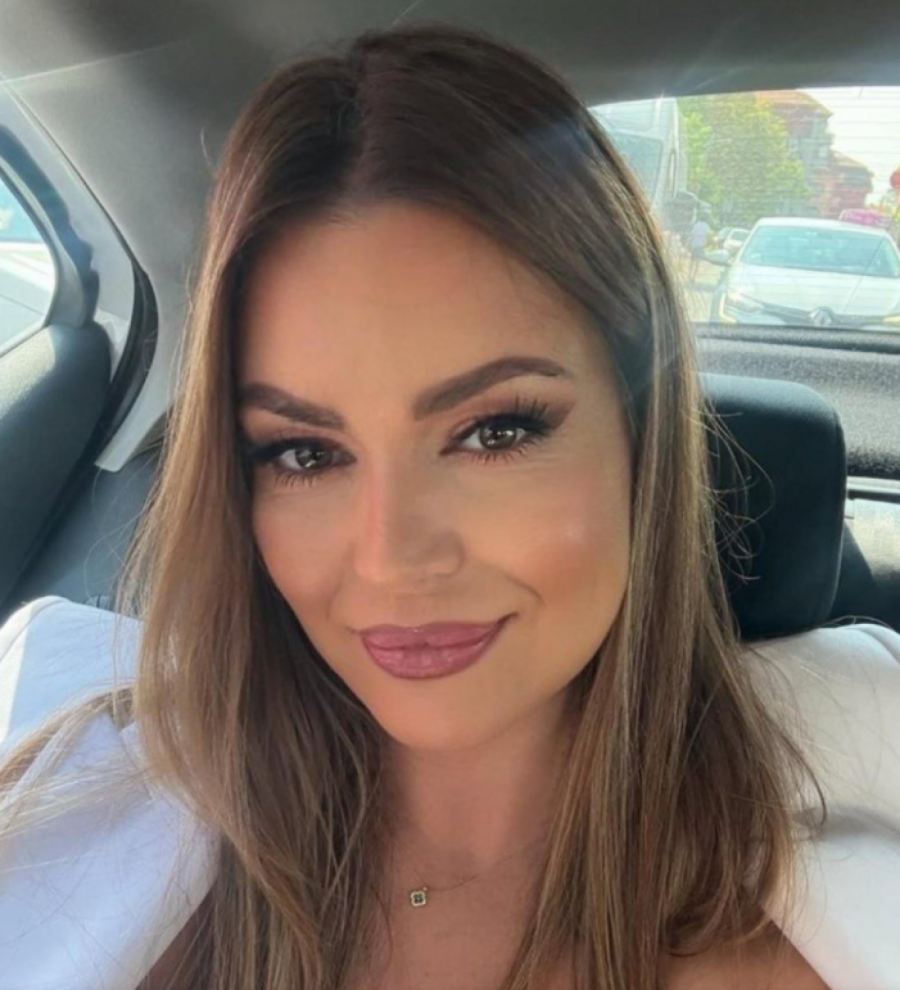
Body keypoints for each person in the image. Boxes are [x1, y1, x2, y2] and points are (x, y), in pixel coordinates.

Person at [0, 24, 898, 990]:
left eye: (495, 432)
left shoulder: (836, 920)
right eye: (304, 453)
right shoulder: (56, 804)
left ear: (643, 439)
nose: (391, 558)